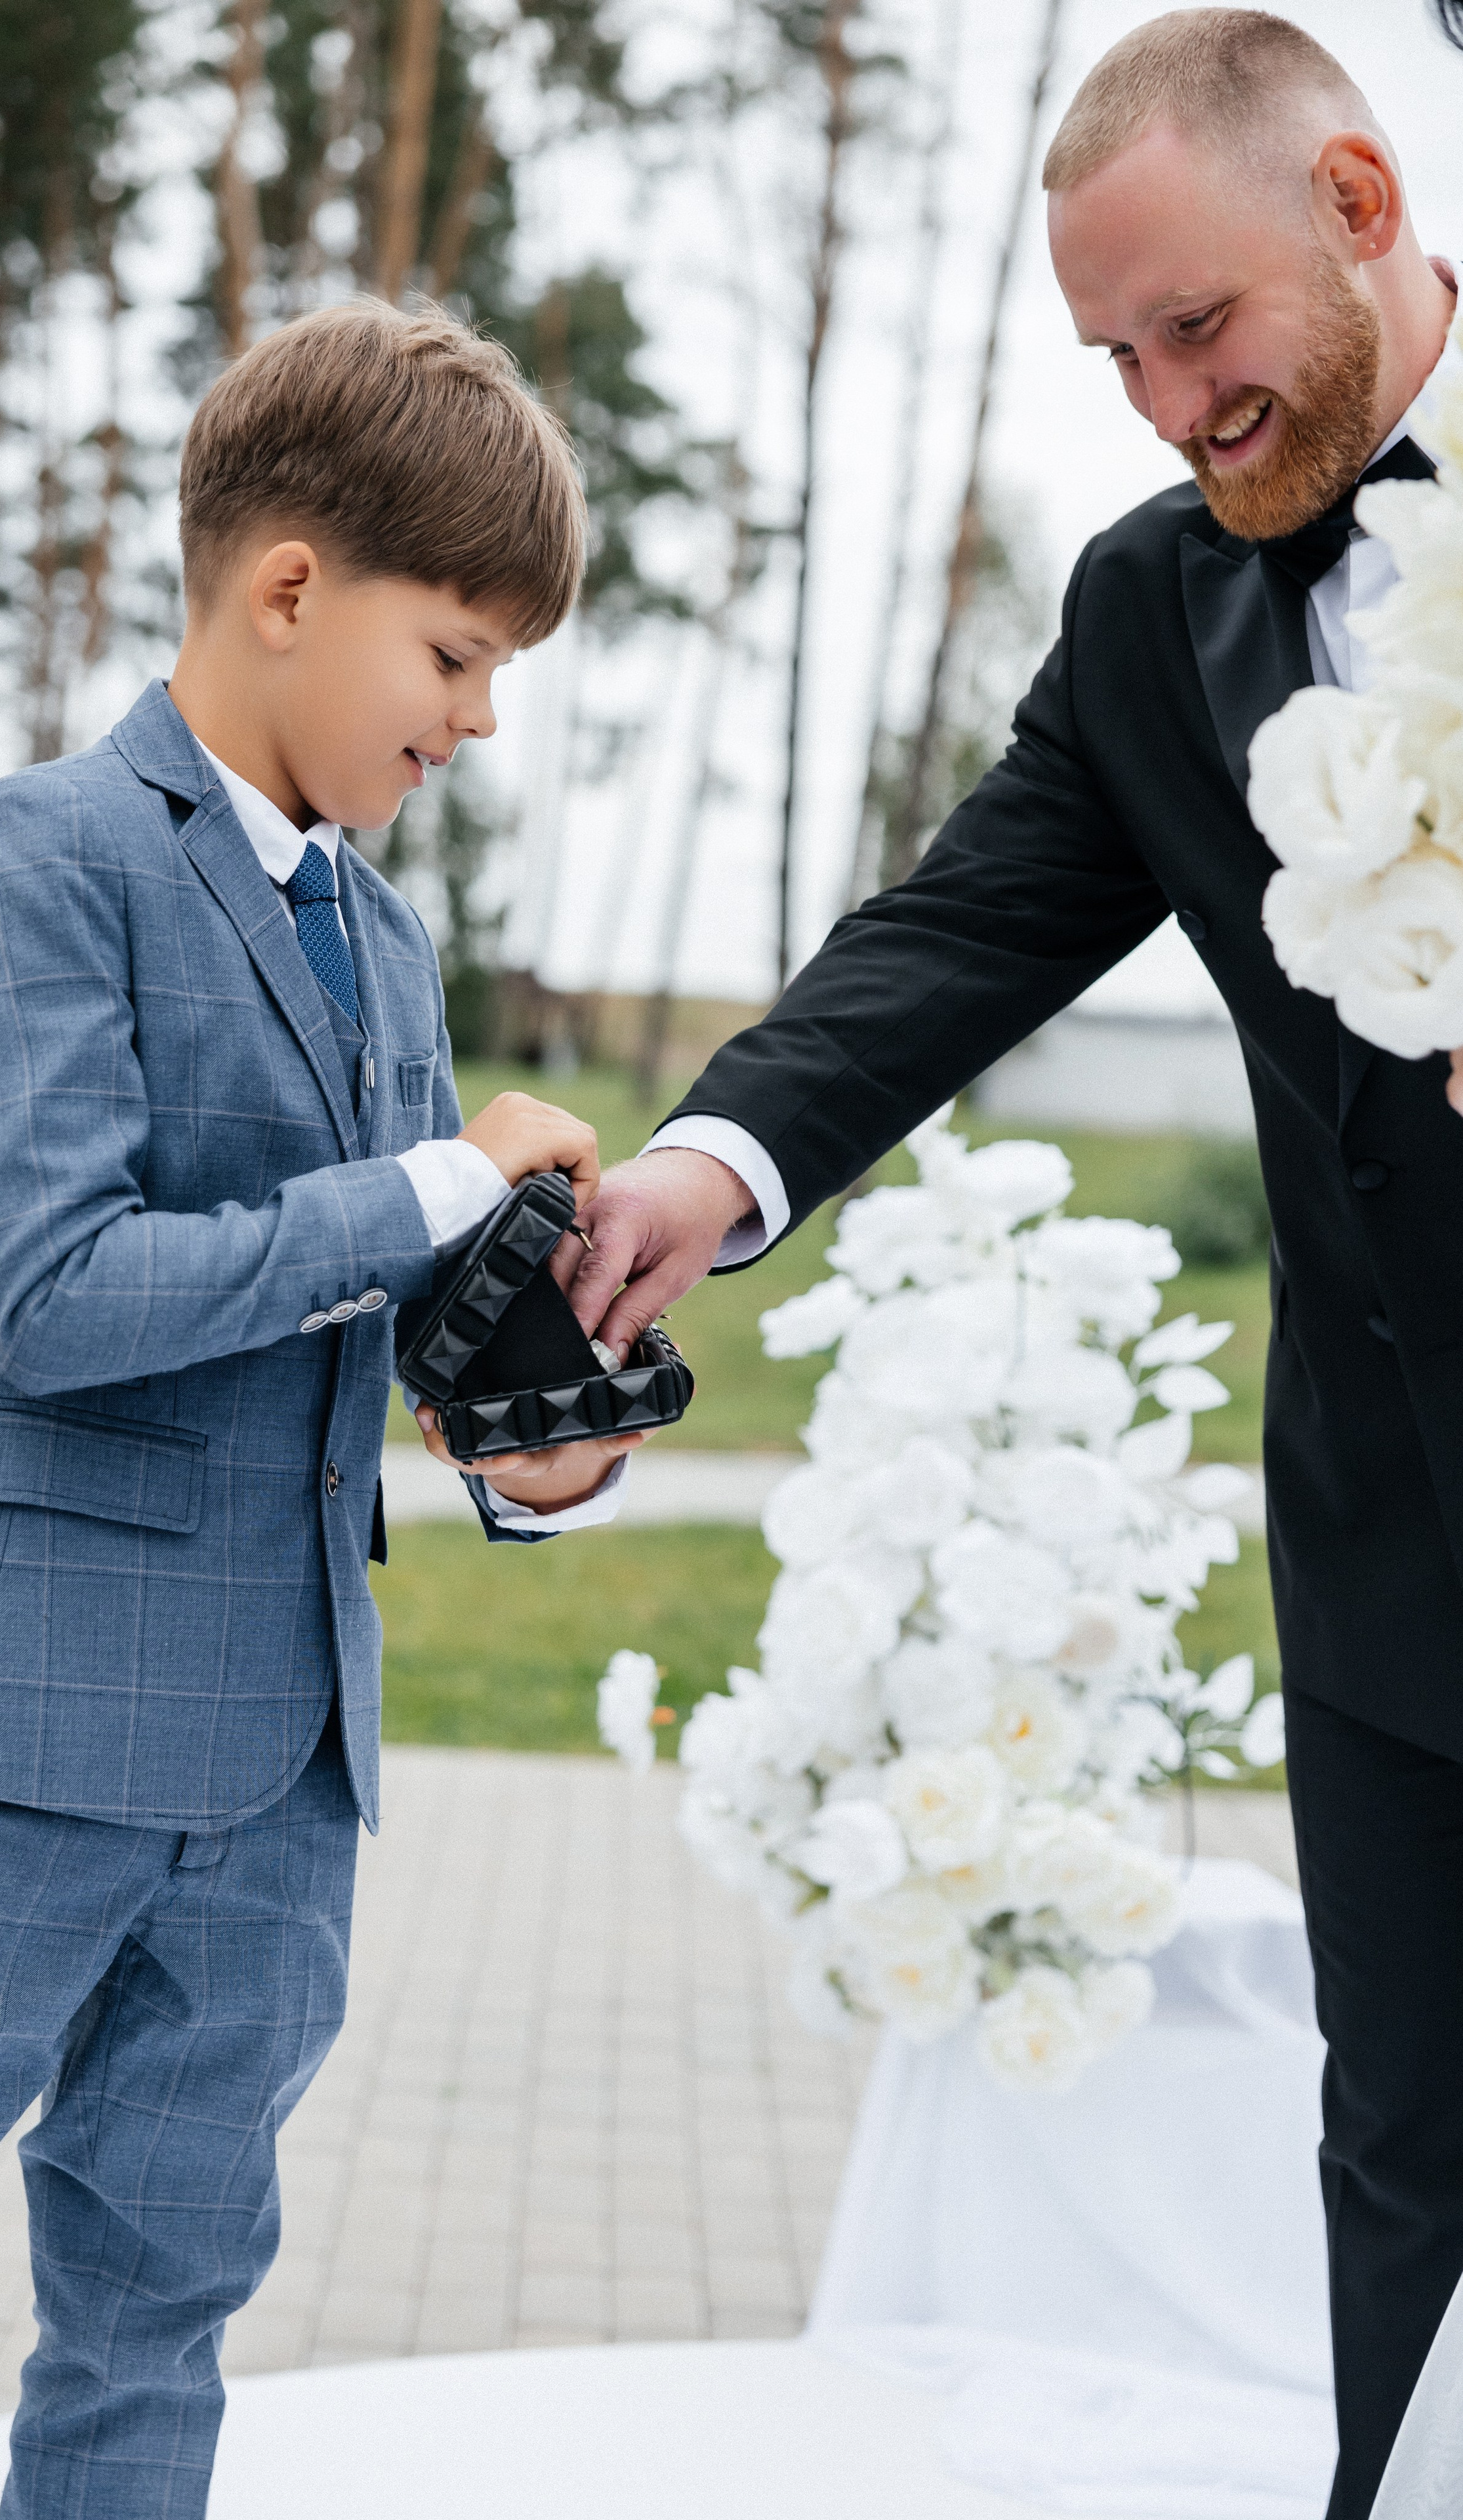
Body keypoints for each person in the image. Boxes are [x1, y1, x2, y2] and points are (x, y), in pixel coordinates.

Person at [558, 14, 1463, 2517]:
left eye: (1202, 330)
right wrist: (709, 1167)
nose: (1174, 404)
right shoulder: (1152, 609)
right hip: (1393, 1543)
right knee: (1404, 2150)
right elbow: (960, 929)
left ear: (1364, 209)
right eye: (1118, 360)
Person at [0, 300, 642, 2515]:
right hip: (7, 1735)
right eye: (453, 655)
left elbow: (395, 1298)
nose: (474, 720)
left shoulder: (395, 944)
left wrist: (524, 1440)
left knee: (159, 2322)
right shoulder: (52, 850)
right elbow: (55, 1294)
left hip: (283, 1765)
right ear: (286, 590)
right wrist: (438, 1177)